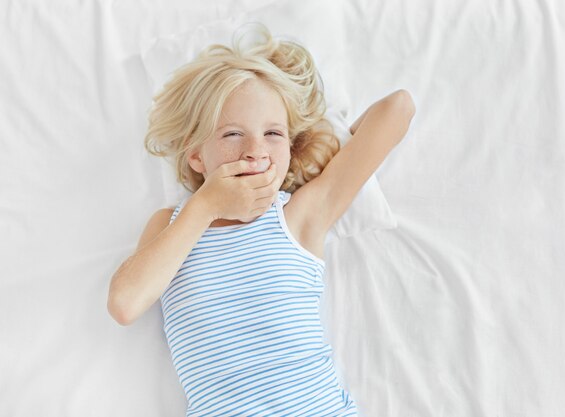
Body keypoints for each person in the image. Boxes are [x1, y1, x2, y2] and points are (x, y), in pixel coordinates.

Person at [107, 21, 415, 417]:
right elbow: (124, 304)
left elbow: (398, 108)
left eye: (273, 133)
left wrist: (315, 152)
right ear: (196, 156)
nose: (255, 150)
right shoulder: (172, 224)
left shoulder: (299, 214)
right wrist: (206, 206)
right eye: (232, 134)